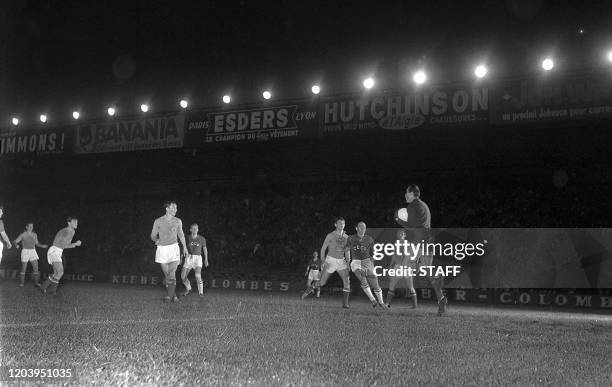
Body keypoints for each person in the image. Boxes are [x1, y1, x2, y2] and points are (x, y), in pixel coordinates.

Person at [395, 185, 447, 316]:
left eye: (407, 193)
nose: (405, 195)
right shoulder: (424, 205)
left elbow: (411, 226)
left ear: (412, 193)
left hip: (419, 241)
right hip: (429, 240)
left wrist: (399, 220)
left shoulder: (412, 206)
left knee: (406, 267)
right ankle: (441, 298)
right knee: (427, 270)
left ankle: (428, 271)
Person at [302, 217, 351, 308]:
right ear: (335, 225)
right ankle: (310, 289)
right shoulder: (330, 235)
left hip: (341, 261)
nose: (342, 225)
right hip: (330, 260)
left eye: (343, 223)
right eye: (340, 223)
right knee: (321, 283)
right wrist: (323, 260)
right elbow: (323, 248)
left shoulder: (347, 237)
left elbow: (347, 251)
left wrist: (348, 262)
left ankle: (345, 304)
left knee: (347, 281)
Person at [150, 201, 188, 302]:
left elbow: (181, 235)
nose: (176, 210)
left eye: (176, 208)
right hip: (162, 249)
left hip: (174, 248)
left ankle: (169, 297)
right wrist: (156, 240)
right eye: (174, 208)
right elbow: (153, 235)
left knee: (172, 273)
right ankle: (174, 295)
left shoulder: (178, 221)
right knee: (167, 275)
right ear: (167, 208)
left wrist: (185, 247)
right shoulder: (158, 221)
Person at [346, 222, 387, 308]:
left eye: (364, 227)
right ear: (356, 228)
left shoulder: (369, 239)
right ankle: (373, 300)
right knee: (362, 279)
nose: (362, 229)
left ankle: (381, 302)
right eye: (360, 227)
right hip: (356, 262)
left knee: (375, 284)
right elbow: (346, 250)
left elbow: (374, 252)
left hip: (367, 262)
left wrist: (373, 258)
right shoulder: (351, 238)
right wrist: (348, 262)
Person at [40, 217, 82, 295]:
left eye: (77, 222)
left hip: (58, 251)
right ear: (69, 223)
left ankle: (43, 287)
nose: (77, 224)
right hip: (54, 250)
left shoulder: (72, 231)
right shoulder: (65, 231)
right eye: (74, 222)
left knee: (56, 272)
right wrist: (75, 244)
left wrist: (74, 244)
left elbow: (66, 245)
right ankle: (52, 291)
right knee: (60, 272)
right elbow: (59, 244)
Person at [386, 229, 417, 308]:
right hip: (398, 267)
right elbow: (394, 257)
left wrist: (413, 266)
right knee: (392, 285)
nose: (401, 235)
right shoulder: (396, 245)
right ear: (397, 235)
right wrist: (390, 266)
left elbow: (412, 257)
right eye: (399, 234)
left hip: (407, 268)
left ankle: (415, 305)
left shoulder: (409, 245)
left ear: (405, 235)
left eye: (402, 234)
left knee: (410, 287)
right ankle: (387, 304)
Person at [14, 222, 48, 287]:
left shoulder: (35, 234)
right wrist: (16, 245)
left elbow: (37, 243)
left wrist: (42, 246)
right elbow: (15, 241)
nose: (31, 228)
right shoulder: (23, 234)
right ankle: (22, 283)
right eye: (30, 226)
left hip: (33, 251)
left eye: (32, 226)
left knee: (36, 267)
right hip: (25, 251)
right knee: (24, 268)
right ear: (26, 227)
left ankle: (36, 283)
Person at [181, 223, 208, 297]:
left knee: (197, 275)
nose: (195, 230)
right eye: (193, 228)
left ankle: (201, 292)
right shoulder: (187, 238)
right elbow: (184, 248)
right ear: (190, 230)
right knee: (183, 277)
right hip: (189, 258)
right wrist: (181, 257)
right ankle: (188, 288)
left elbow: (205, 249)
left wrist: (206, 259)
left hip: (197, 259)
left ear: (198, 229)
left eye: (196, 228)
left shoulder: (202, 238)